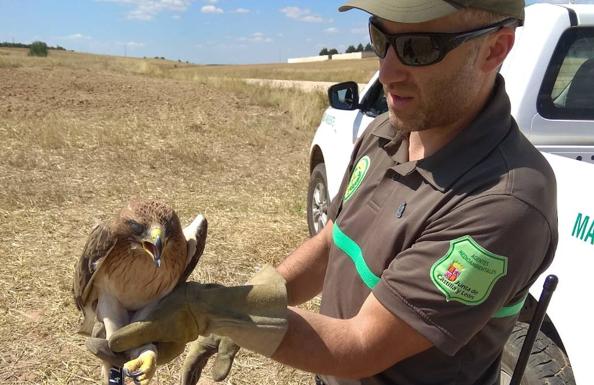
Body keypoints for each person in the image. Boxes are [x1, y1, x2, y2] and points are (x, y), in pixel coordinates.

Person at [107, 1, 558, 384]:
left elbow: (363, 344)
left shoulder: (504, 202)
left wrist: (219, 312)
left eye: (419, 48)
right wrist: (252, 299)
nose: (386, 72)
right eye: (380, 37)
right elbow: (334, 243)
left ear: (494, 49)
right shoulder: (387, 131)